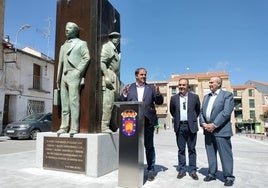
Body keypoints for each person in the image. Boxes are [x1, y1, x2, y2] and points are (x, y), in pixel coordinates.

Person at [118, 68, 164, 181]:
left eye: (145, 74)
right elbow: (121, 100)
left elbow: (159, 102)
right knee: (132, 147)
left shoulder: (151, 88)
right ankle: (131, 168)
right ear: (136, 76)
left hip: (148, 121)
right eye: (142, 74)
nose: (144, 76)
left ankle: (150, 169)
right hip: (131, 122)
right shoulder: (129, 87)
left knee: (149, 146)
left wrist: (158, 93)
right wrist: (124, 94)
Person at [199, 76, 235, 186]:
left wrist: (214, 125)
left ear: (219, 84)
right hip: (208, 131)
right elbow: (201, 112)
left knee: (225, 154)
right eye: (209, 82)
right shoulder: (206, 97)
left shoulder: (227, 95)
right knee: (210, 154)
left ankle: (228, 176)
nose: (209, 84)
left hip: (221, 131)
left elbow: (226, 112)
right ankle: (212, 173)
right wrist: (203, 123)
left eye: (211, 82)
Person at [56, 22, 90, 134]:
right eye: (66, 29)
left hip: (73, 74)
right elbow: (60, 63)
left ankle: (74, 127)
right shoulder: (63, 46)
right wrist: (58, 78)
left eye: (69, 28)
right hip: (63, 77)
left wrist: (78, 71)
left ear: (75, 30)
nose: (66, 30)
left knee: (73, 101)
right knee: (64, 103)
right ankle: (64, 126)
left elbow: (86, 58)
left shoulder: (81, 43)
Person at [170, 78, 200, 180]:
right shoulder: (174, 98)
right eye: (180, 85)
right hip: (180, 126)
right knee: (181, 149)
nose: (181, 87)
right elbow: (172, 111)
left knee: (192, 149)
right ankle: (182, 170)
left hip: (191, 126)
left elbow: (197, 110)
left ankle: (192, 170)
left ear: (188, 86)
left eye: (183, 85)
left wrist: (191, 119)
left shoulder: (195, 97)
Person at [100, 32, 121, 132]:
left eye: (118, 38)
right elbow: (102, 62)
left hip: (115, 77)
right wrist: (106, 76)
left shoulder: (115, 50)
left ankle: (113, 124)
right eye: (115, 37)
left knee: (114, 104)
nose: (117, 39)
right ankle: (104, 125)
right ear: (111, 38)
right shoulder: (107, 47)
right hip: (109, 75)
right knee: (108, 102)